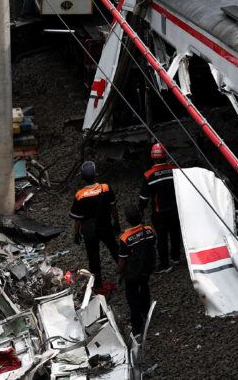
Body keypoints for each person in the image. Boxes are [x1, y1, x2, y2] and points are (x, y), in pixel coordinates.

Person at [69, 161, 120, 295]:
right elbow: (113, 207)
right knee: (114, 249)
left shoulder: (80, 195)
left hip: (89, 230)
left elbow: (78, 219)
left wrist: (76, 233)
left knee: (93, 256)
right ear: (96, 174)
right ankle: (126, 271)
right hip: (105, 226)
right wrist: (117, 222)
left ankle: (97, 284)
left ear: (83, 178)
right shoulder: (105, 188)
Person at [117, 205, 157, 338]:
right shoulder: (149, 230)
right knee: (145, 288)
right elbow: (152, 246)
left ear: (127, 220)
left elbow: (122, 259)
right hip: (146, 268)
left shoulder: (125, 238)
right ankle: (146, 311)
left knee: (132, 297)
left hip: (132, 272)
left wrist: (119, 273)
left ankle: (137, 325)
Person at [139, 144, 181, 271]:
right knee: (175, 234)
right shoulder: (174, 170)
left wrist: (140, 211)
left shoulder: (148, 175)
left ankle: (165, 265)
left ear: (153, 157)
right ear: (165, 156)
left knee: (162, 237)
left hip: (159, 213)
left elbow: (144, 198)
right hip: (174, 210)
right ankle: (176, 258)